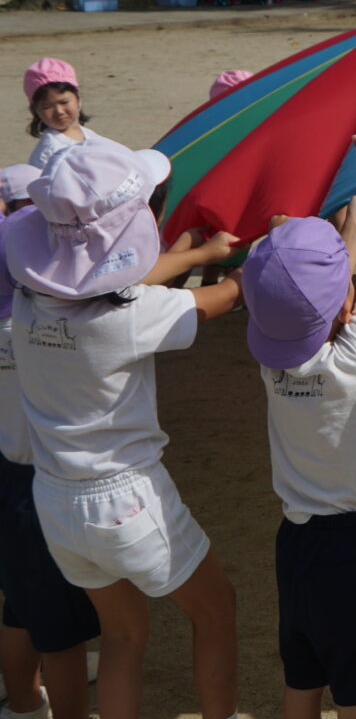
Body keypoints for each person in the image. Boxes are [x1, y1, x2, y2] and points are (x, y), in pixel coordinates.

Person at [3, 143, 242, 719]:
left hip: (57, 500)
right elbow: (231, 297)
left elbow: (109, 279)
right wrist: (252, 259)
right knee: (216, 610)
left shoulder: (30, 304)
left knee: (123, 634)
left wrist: (188, 254)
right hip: (128, 500)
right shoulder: (133, 316)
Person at [239, 122, 356, 719]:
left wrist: (350, 232)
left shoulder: (272, 360)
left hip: (297, 541)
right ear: (340, 304)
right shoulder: (355, 357)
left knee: (305, 672)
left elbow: (326, 296)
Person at [0, 205, 100, 719]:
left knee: (20, 605)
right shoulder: (39, 322)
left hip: (9, 474)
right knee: (62, 630)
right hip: (43, 484)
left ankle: (22, 706)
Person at [22, 59, 103, 171]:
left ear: (78, 99)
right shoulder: (47, 153)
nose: (59, 111)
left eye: (64, 102)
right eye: (47, 107)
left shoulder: (89, 135)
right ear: (35, 110)